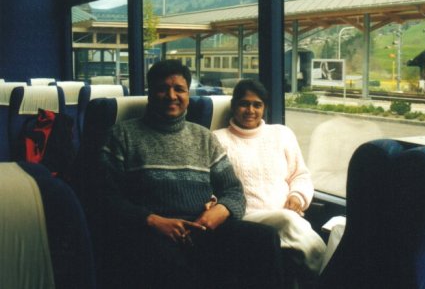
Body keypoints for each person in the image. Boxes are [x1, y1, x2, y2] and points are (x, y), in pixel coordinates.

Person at [92, 60, 283, 289]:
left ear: (187, 95)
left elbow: (233, 191)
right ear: (150, 93)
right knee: (169, 262)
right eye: (163, 88)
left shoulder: (204, 137)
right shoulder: (122, 135)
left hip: (203, 229)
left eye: (179, 89)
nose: (171, 96)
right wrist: (152, 221)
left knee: (264, 239)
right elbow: (104, 197)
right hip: (150, 232)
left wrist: (219, 213)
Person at [214, 79, 326, 286]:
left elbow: (300, 174)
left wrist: (297, 196)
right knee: (288, 221)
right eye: (244, 103)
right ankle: (328, 274)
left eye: (257, 104)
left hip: (288, 213)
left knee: (292, 224)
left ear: (264, 108)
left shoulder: (281, 134)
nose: (250, 110)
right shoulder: (217, 139)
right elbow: (211, 185)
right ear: (233, 106)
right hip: (246, 217)